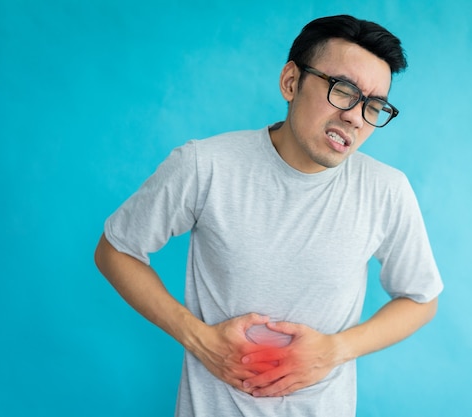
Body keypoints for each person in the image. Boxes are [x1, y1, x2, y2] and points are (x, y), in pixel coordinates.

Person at [94, 14, 443, 417]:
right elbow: (114, 251)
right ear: (291, 82)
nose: (354, 116)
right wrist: (198, 338)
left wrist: (334, 350)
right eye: (343, 90)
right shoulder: (205, 165)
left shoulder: (386, 190)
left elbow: (421, 299)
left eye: (374, 106)